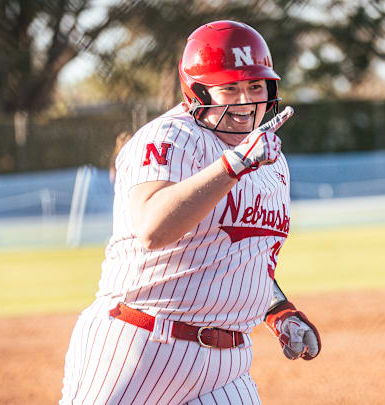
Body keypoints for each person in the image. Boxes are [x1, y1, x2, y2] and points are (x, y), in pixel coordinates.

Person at [60, 20, 321, 405]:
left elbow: (247, 257)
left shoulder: (270, 156)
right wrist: (231, 165)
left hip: (226, 364)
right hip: (140, 346)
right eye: (229, 88)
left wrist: (279, 310)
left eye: (255, 86)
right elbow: (152, 227)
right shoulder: (170, 137)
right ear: (198, 91)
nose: (246, 100)